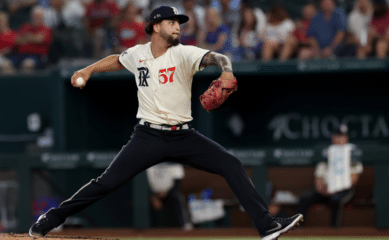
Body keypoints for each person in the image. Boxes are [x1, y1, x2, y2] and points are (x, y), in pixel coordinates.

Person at [28, 6, 303, 240]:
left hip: (184, 136)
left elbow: (215, 56)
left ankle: (266, 226)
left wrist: (226, 69)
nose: (177, 27)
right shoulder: (139, 54)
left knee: (230, 164)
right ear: (156, 27)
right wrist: (88, 70)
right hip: (148, 137)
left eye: (178, 23)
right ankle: (51, 219)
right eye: (172, 22)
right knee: (105, 183)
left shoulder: (183, 53)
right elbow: (117, 60)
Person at [296, 125, 363, 228]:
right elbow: (319, 176)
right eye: (337, 136)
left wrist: (335, 188)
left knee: (336, 200)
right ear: (333, 137)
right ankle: (299, 230)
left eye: (342, 136)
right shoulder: (326, 153)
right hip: (325, 189)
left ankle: (334, 231)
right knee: (305, 198)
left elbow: (353, 179)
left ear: (347, 138)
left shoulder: (352, 152)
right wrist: (322, 188)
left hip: (343, 190)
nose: (339, 139)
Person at [9, 6, 52, 73]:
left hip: (36, 56)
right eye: (34, 16)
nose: (36, 19)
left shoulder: (46, 29)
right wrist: (32, 38)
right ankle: (12, 83)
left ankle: (26, 83)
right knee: (5, 65)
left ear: (42, 18)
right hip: (19, 54)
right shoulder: (25, 27)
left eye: (38, 17)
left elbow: (40, 39)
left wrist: (27, 37)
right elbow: (17, 40)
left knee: (27, 64)